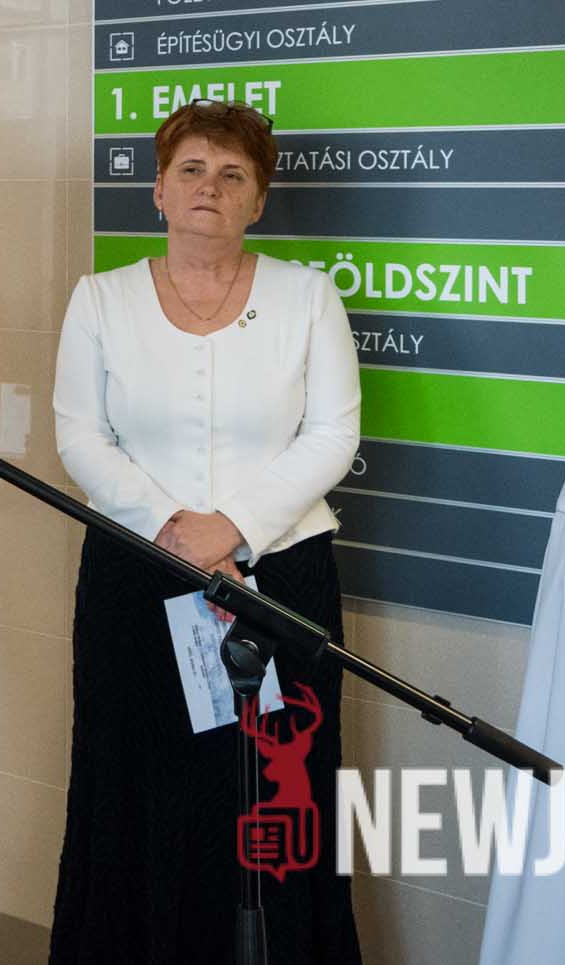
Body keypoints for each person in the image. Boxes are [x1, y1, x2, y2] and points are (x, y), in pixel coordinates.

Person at [48, 99, 363, 964]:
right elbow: (78, 435)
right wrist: (169, 527)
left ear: (259, 199)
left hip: (280, 578)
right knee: (137, 786)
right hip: (135, 578)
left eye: (233, 175)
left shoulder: (308, 296)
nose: (209, 188)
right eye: (190, 169)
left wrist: (233, 528)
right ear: (157, 189)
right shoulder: (100, 299)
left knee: (274, 798)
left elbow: (334, 433)